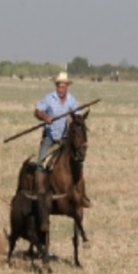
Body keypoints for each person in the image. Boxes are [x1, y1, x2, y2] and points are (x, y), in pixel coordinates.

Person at [33, 72, 89, 230]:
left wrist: (75, 120)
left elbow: (78, 118)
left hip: (65, 140)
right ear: (56, 86)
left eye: (63, 85)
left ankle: (81, 195)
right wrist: (45, 118)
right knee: (40, 164)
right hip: (50, 138)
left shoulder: (72, 101)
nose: (61, 88)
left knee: (78, 161)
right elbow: (37, 111)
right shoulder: (49, 99)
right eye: (59, 85)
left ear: (67, 86)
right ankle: (41, 195)